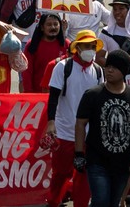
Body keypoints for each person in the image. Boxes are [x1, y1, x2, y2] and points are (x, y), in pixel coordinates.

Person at [44, 30, 104, 207]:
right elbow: (53, 97)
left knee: (84, 176)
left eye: (93, 46)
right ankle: (53, 202)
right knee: (60, 173)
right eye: (87, 46)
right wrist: (51, 122)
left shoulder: (98, 71)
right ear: (78, 48)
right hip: (65, 132)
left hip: (88, 135)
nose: (90, 50)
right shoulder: (63, 67)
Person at [74, 49, 130, 207]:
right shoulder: (93, 94)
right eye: (108, 66)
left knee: (113, 203)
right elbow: (80, 123)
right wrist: (79, 153)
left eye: (114, 67)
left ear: (124, 71)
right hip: (97, 161)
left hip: (123, 162)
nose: (109, 70)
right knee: (100, 201)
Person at [23, 12, 68, 93]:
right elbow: (27, 72)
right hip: (38, 94)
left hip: (61, 95)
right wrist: (29, 93)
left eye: (55, 24)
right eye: (49, 24)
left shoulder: (67, 45)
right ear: (42, 27)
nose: (53, 27)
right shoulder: (32, 45)